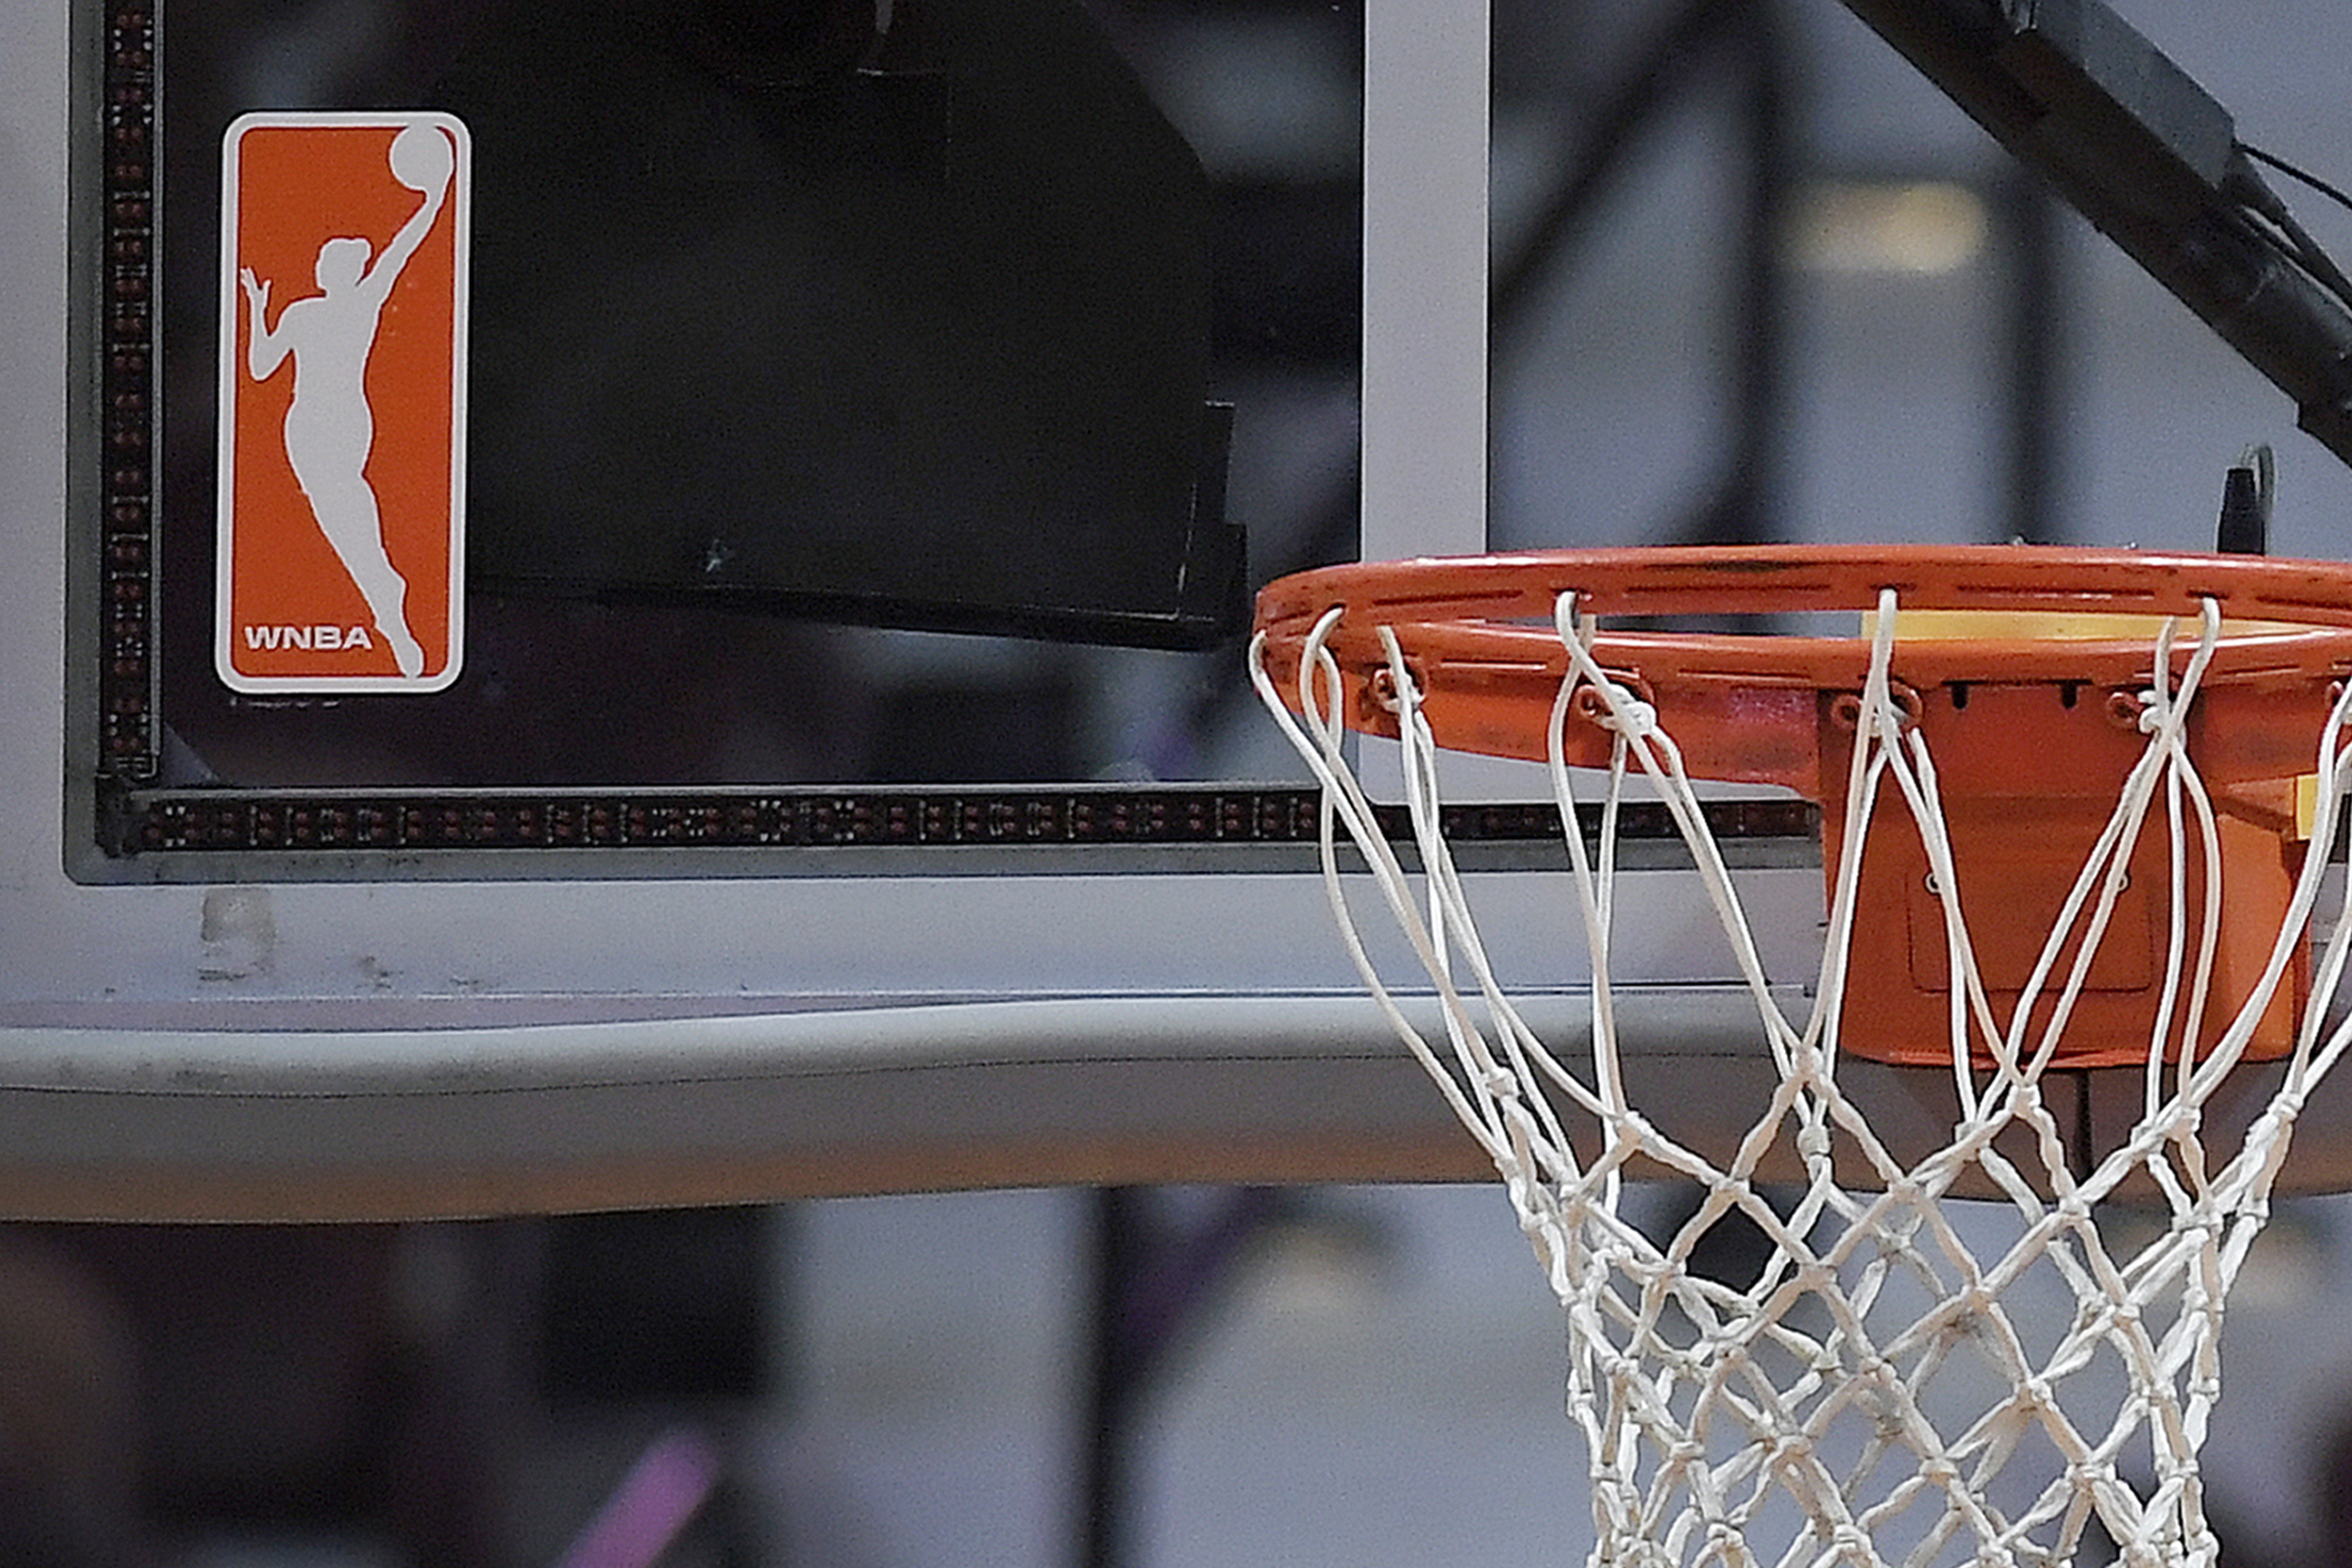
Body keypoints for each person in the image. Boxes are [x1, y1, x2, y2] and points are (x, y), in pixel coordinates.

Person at [239, 127, 452, 679]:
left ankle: (387, 601)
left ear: (342, 272)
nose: (328, 269)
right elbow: (260, 369)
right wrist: (256, 308)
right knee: (342, 514)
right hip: (312, 425)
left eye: (336, 264)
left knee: (345, 512)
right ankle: (386, 596)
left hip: (332, 423)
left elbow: (401, 252)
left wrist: (436, 197)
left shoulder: (353, 306)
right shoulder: (322, 310)